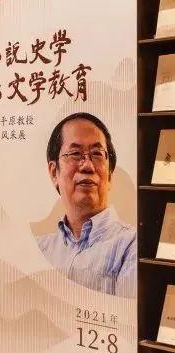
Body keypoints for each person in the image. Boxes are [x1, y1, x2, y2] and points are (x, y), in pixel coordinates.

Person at [37, 112, 136, 298]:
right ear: (54, 172)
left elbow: (127, 314)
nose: (87, 166)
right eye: (75, 154)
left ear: (110, 175)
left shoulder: (132, 245)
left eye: (97, 154)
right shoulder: (39, 250)